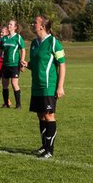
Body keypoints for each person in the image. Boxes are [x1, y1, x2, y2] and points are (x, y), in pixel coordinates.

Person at [27, 14, 67, 159]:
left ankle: (50, 150)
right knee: (40, 115)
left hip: (48, 86)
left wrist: (60, 86)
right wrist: (27, 65)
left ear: (42, 26)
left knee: (49, 115)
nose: (32, 24)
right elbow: (36, 64)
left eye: (35, 22)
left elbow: (62, 64)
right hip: (36, 86)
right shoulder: (33, 43)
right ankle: (44, 146)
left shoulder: (54, 42)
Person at [0, 18, 26, 108]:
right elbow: (0, 51)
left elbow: (23, 50)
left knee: (14, 84)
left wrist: (22, 62)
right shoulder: (4, 39)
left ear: (15, 27)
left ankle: (18, 104)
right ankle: (6, 104)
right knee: (4, 85)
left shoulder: (18, 37)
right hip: (5, 65)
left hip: (15, 65)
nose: (9, 26)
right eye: (8, 24)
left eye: (11, 24)